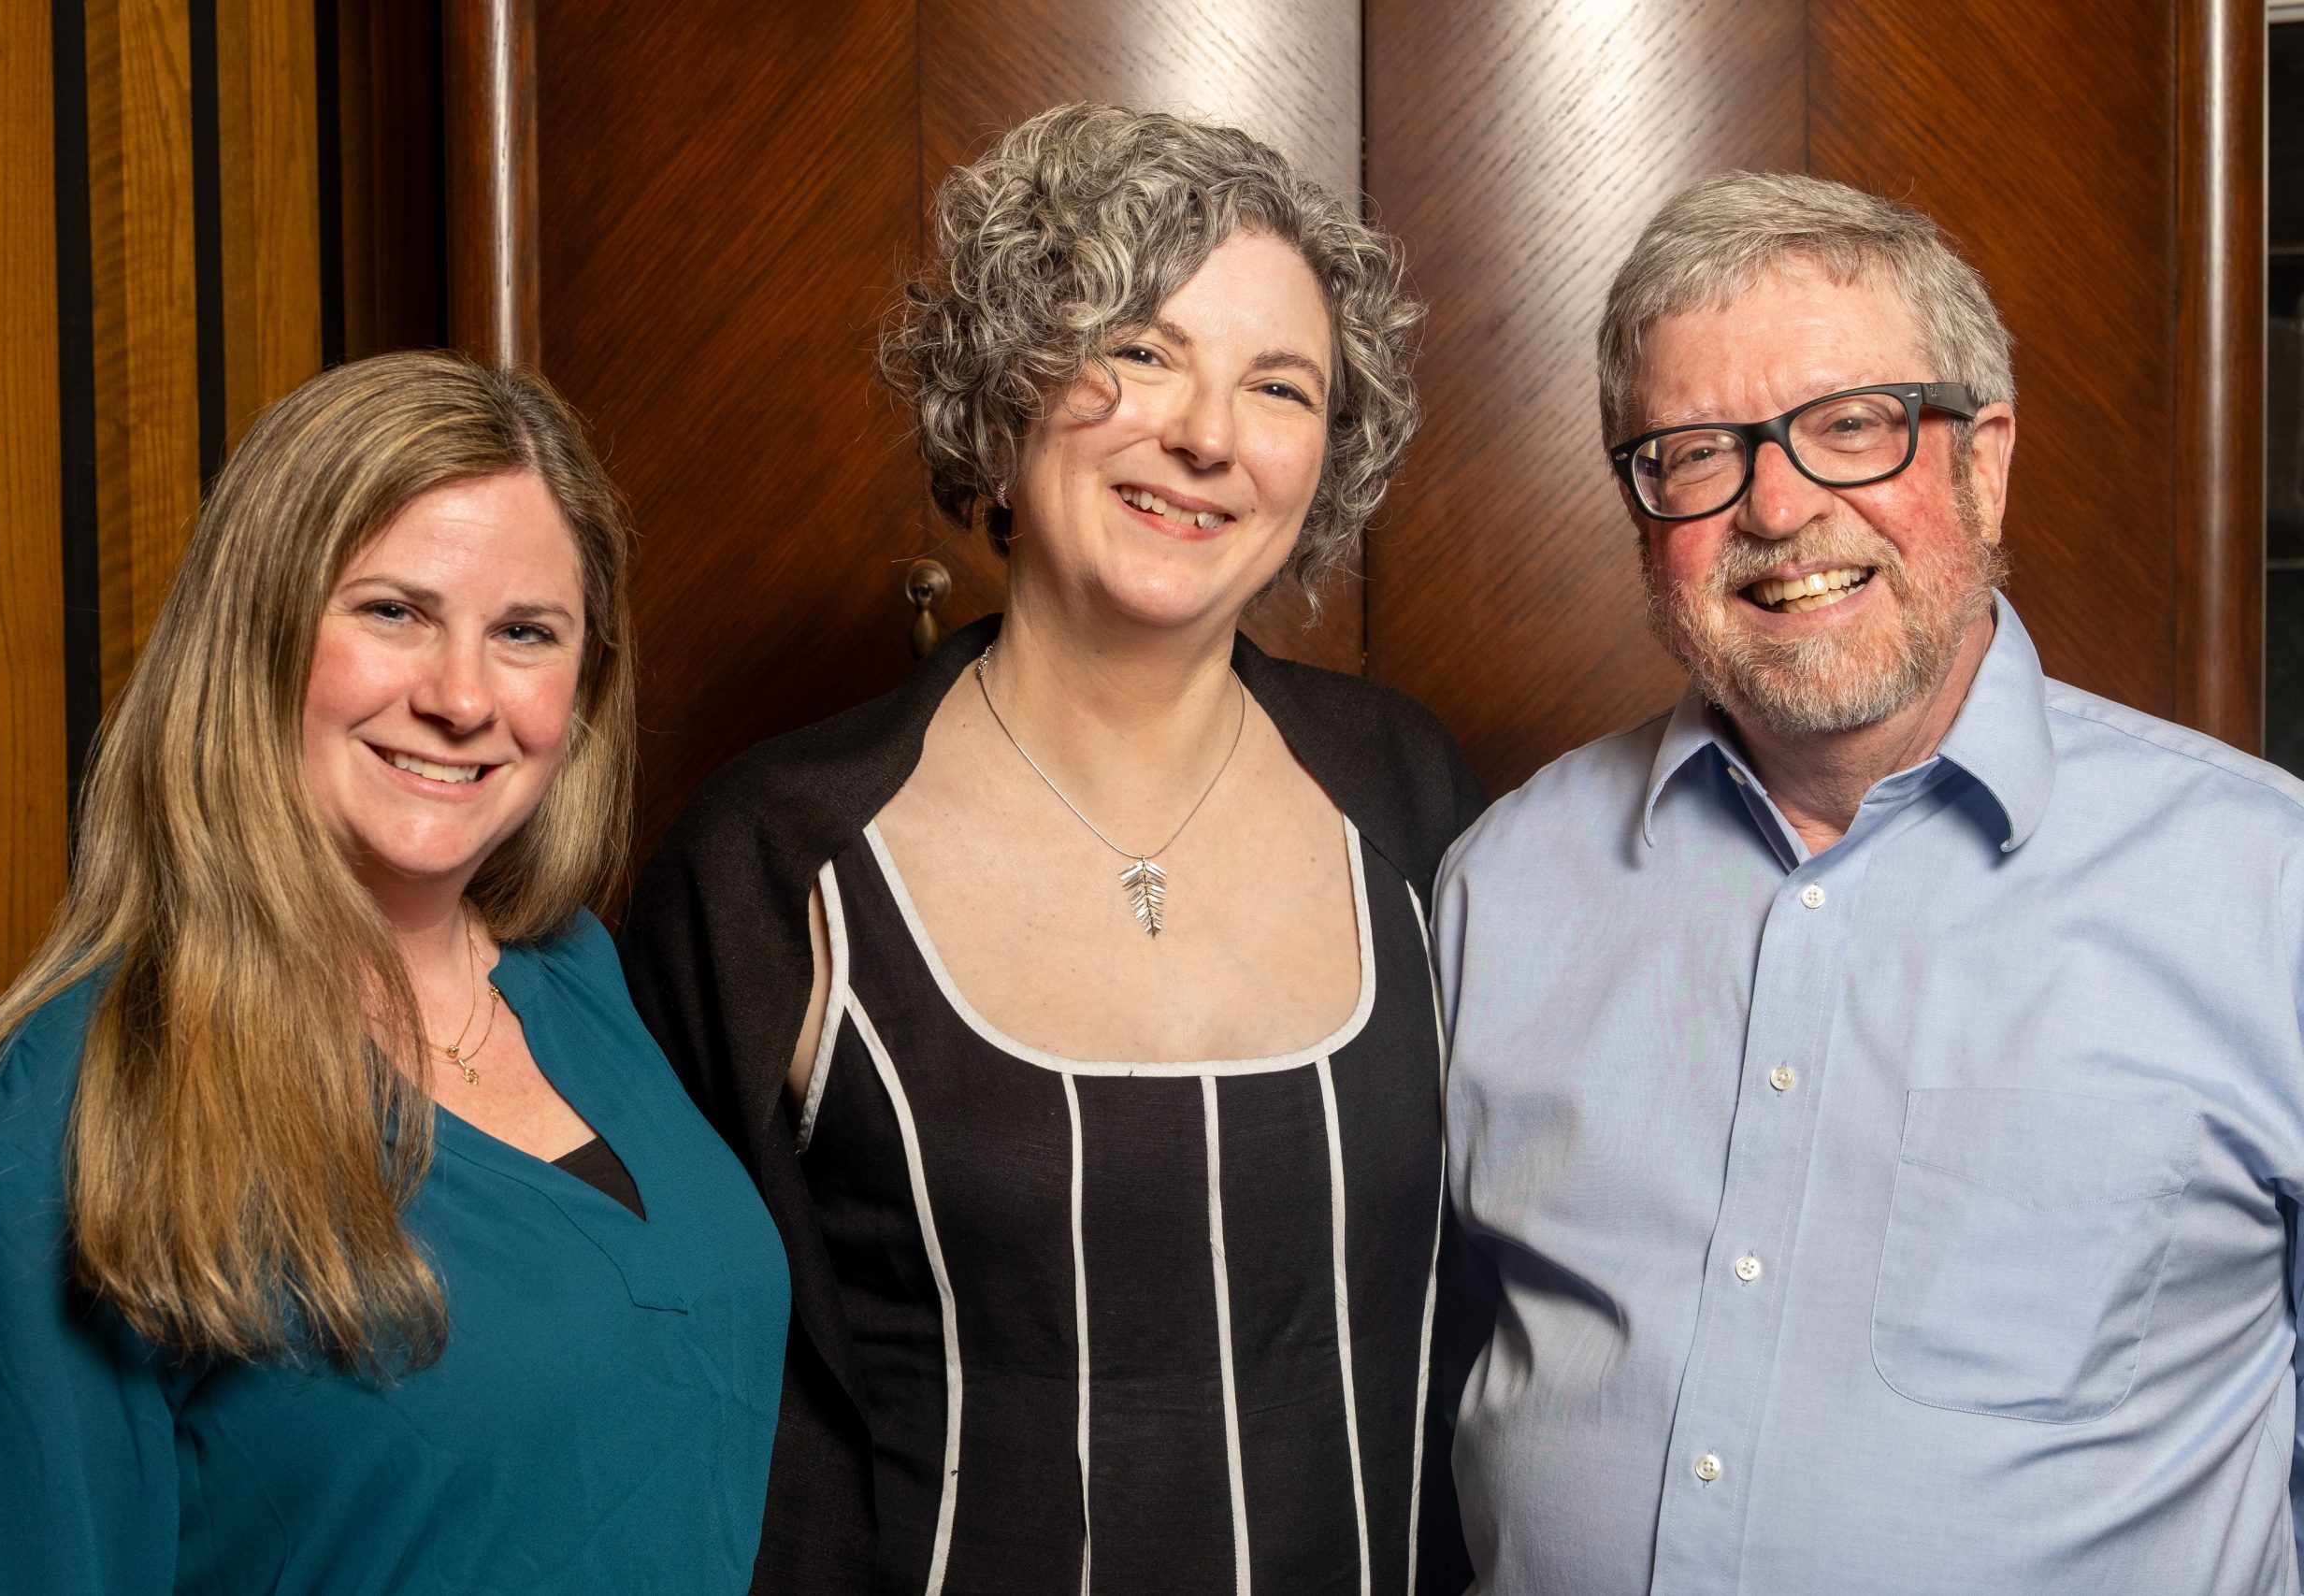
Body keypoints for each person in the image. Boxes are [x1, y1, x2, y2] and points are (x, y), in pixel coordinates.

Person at [620, 104, 1486, 1594]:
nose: (1207, 436)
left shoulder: (1410, 796)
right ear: (1010, 383)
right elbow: (692, 1398)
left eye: (1278, 387)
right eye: (1141, 351)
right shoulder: (775, 858)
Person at [1435, 168, 2304, 1595]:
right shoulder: (1497, 892)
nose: (1778, 508)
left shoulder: (2266, 894)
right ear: (1645, 508)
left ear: (1985, 457)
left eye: (1852, 426)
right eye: (1698, 452)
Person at [0, 351, 789, 1593]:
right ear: (256, 634)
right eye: (394, 612)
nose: (462, 697)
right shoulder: (62, 1111)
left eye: (526, 633)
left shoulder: (577, 976)